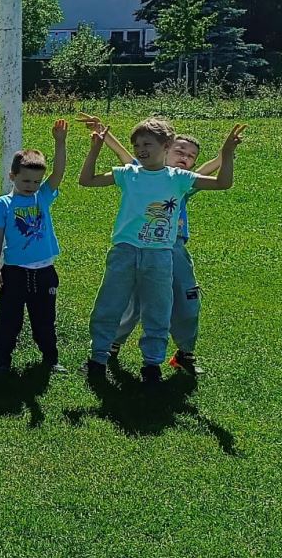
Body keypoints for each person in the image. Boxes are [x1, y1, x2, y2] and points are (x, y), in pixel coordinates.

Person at [79, 118, 243, 386]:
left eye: (147, 145)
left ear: (165, 146)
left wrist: (226, 153)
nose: (141, 150)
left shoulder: (179, 180)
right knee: (111, 304)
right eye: (137, 145)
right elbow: (88, 179)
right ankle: (99, 356)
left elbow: (222, 182)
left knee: (159, 310)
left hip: (161, 254)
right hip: (125, 251)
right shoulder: (129, 173)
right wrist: (96, 147)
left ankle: (153, 364)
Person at [0, 121, 69, 375]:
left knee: (45, 319)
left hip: (44, 271)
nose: (31, 186)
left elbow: (58, 173)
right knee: (9, 318)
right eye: (25, 180)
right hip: (15, 272)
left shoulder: (42, 196)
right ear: (12, 176)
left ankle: (51, 358)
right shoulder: (4, 204)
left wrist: (60, 142)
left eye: (36, 181)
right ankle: (3, 359)